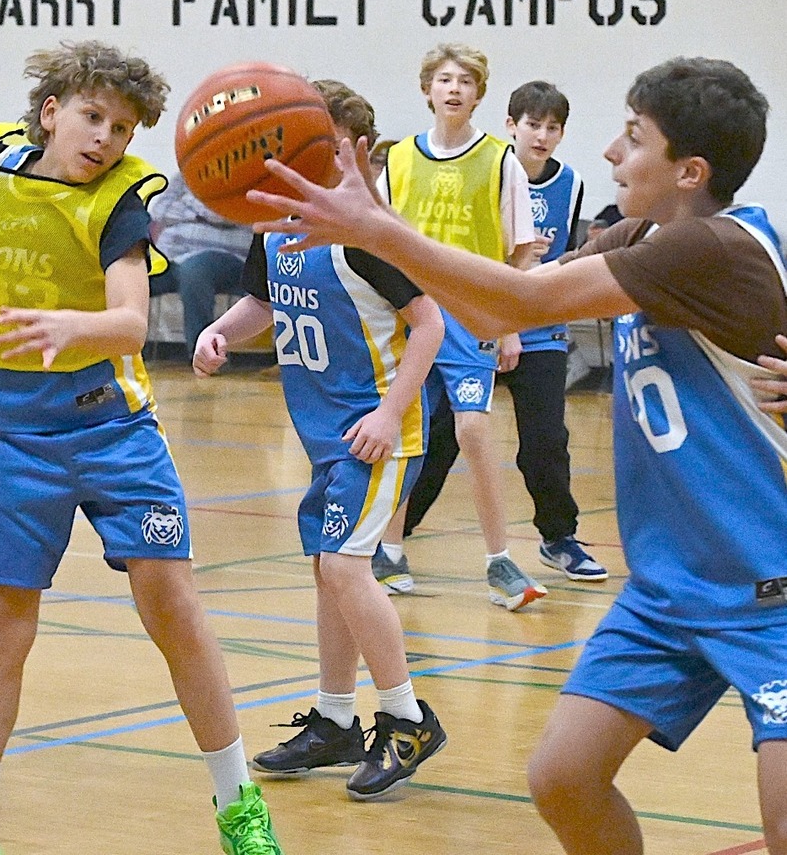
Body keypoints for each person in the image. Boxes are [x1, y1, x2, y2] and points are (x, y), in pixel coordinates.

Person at [248, 56, 787, 855]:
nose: (608, 151)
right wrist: (381, 236)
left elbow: (523, 302)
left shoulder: (709, 249)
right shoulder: (644, 235)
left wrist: (376, 231)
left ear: (689, 171)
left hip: (768, 594)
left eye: (633, 137)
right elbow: (494, 299)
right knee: (562, 780)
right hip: (670, 590)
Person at [0, 40, 281, 855]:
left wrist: (76, 325)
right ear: (50, 112)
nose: (105, 137)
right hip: (14, 440)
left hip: (112, 432)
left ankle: (237, 804)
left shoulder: (119, 203)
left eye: (121, 127)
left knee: (172, 606)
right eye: (91, 116)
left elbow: (132, 323)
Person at [192, 84, 447, 801]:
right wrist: (220, 333)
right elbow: (264, 304)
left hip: (377, 434)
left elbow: (428, 324)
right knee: (326, 572)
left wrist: (389, 413)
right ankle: (336, 720)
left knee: (343, 567)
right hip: (321, 434)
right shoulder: (272, 223)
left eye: (322, 145)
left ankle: (405, 718)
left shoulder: (366, 234)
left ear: (351, 152)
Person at [399, 81, 609, 582]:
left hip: (538, 326)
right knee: (441, 436)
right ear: (511, 126)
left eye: (552, 127)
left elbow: (561, 260)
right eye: (532, 124)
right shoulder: (488, 169)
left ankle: (558, 538)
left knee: (545, 440)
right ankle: (391, 539)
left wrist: (522, 308)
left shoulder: (571, 183)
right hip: (477, 323)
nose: (542, 135)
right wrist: (500, 320)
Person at [371, 43, 545, 612]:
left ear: (479, 94)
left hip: (472, 317)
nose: (454, 88)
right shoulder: (398, 161)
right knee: (404, 433)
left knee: (472, 430)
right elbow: (380, 246)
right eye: (444, 79)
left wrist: (511, 321)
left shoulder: (501, 160)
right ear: (428, 89)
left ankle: (500, 560)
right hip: (413, 314)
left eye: (466, 81)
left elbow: (521, 253)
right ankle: (388, 550)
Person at [148, 175, 254, 360]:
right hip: (171, 256)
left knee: (195, 271)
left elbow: (220, 214)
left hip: (224, 256)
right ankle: (111, 354)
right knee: (128, 274)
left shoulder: (247, 175)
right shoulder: (187, 174)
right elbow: (159, 213)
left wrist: (187, 209)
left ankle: (202, 356)